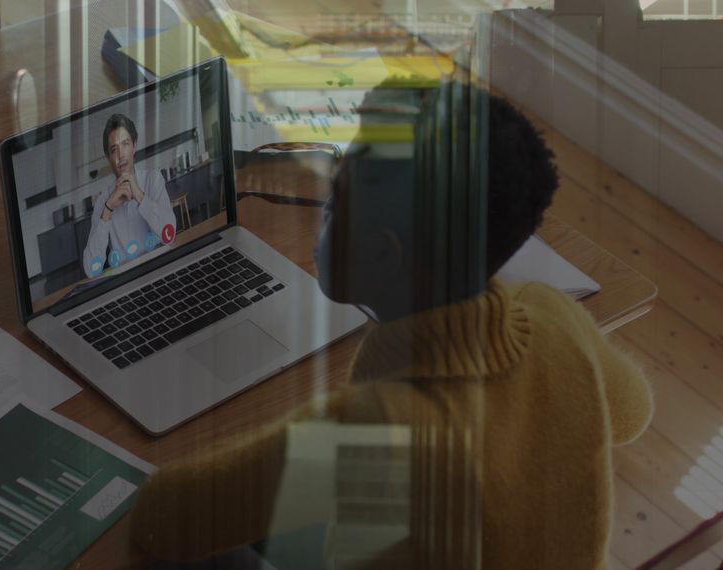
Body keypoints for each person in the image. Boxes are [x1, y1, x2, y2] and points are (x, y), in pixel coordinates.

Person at [127, 90, 653, 569]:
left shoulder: (376, 425)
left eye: (335, 199)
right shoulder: (552, 314)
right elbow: (632, 414)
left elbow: (162, 516)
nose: (323, 212)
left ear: (382, 252)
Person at [82, 113, 177, 277]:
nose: (120, 155)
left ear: (134, 147)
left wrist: (140, 196)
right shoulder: (103, 202)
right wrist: (108, 209)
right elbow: (90, 270)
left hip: (162, 272)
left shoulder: (152, 180)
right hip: (127, 283)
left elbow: (170, 234)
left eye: (125, 144)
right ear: (109, 157)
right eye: (114, 149)